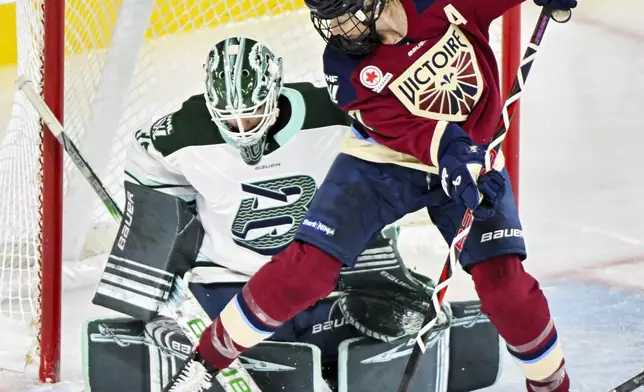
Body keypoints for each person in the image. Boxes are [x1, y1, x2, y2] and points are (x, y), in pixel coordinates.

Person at [169, 1, 579, 392]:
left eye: (344, 15)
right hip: (385, 161)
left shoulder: (441, 3)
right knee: (305, 270)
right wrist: (458, 158)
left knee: (505, 286)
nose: (334, 29)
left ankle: (551, 386)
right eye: (326, 18)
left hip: (472, 156)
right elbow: (416, 135)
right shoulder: (343, 68)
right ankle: (205, 362)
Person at [85, 35, 498, 392]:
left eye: (251, 112)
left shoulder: (332, 112)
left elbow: (397, 132)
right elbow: (146, 160)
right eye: (228, 117)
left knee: (400, 310)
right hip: (227, 285)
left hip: (314, 280)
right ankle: (299, 352)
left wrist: (458, 155)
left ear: (275, 90)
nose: (242, 127)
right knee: (271, 332)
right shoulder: (181, 132)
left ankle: (298, 351)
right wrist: (166, 241)